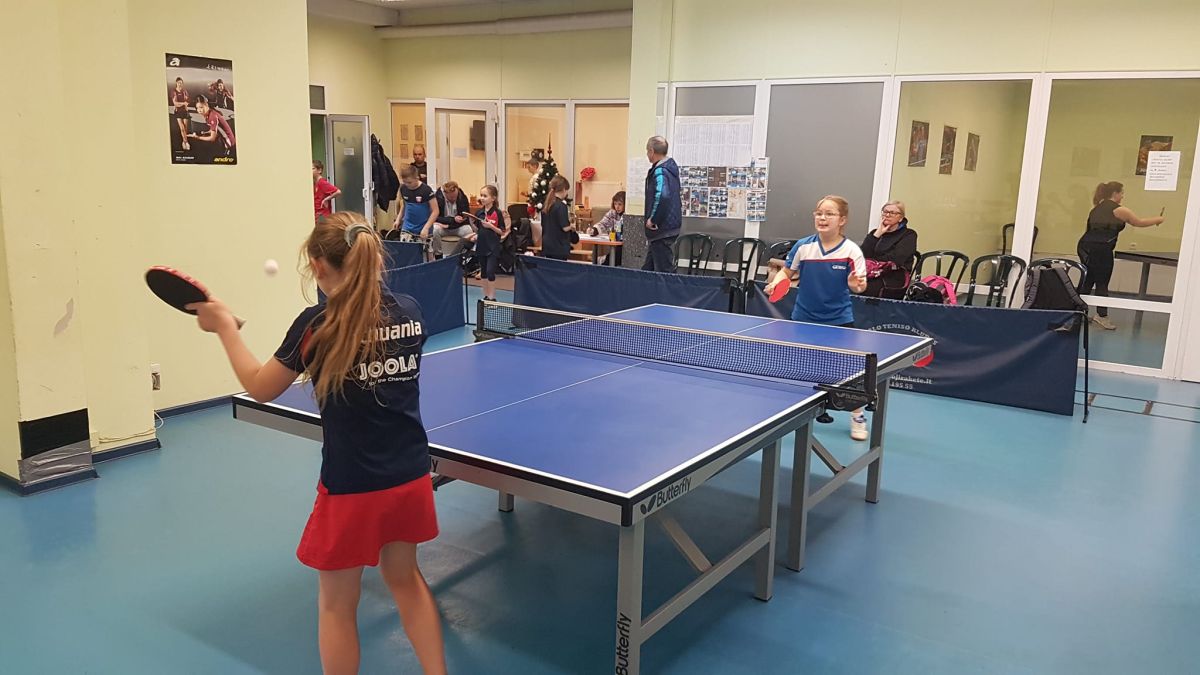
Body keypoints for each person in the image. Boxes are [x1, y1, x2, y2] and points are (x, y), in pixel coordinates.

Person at [184, 212, 448, 675]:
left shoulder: (317, 324)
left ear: (317, 266)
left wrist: (225, 328)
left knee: (336, 606)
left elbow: (261, 386)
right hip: (409, 476)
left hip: (351, 486)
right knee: (406, 580)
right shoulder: (409, 310)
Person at [766, 195, 869, 440]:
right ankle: (799, 413)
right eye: (819, 213)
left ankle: (857, 416)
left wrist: (855, 285)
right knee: (800, 368)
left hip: (838, 319)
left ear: (842, 220)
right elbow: (786, 272)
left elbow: (860, 286)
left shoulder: (851, 250)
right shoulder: (803, 246)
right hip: (804, 318)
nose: (822, 218)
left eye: (829, 214)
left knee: (849, 371)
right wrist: (776, 283)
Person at [1077, 181, 1164, 330]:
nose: (1123, 196)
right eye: (1122, 193)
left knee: (1088, 280)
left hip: (1085, 247)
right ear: (1115, 193)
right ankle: (1101, 316)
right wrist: (1158, 219)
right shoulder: (1119, 210)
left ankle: (1077, 313)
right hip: (1101, 249)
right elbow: (1138, 222)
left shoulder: (1097, 207)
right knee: (1102, 283)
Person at [860, 200, 918, 299]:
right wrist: (877, 234)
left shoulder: (909, 234)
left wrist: (873, 261)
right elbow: (862, 255)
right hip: (871, 273)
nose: (887, 215)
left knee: (865, 288)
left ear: (900, 218)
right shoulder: (875, 233)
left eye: (892, 213)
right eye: (885, 212)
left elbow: (896, 259)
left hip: (894, 275)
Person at [642, 136, 681, 272]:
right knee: (648, 270)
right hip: (668, 228)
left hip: (661, 229)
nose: (647, 154)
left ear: (652, 151)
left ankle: (670, 288)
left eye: (647, 151)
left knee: (665, 272)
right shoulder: (670, 169)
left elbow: (663, 196)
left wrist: (653, 219)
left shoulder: (660, 171)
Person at [393, 165, 440, 254]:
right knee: (405, 253)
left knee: (427, 254)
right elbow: (405, 204)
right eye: (405, 182)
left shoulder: (426, 190)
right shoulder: (403, 188)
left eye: (409, 182)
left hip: (423, 227)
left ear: (417, 178)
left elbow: (435, 211)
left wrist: (426, 228)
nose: (407, 185)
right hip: (408, 227)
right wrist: (398, 219)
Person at [475, 185, 508, 301]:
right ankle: (485, 296)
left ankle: (492, 297)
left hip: (493, 247)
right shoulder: (479, 213)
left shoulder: (497, 213)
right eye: (481, 195)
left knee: (490, 272)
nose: (482, 198)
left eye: (485, 196)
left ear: (493, 198)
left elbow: (502, 231)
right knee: (483, 272)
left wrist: (491, 226)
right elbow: (477, 229)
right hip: (481, 245)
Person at [431, 181, 473, 257]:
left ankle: (465, 255)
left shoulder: (462, 197)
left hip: (457, 226)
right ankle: (438, 255)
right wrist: (452, 220)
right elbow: (434, 217)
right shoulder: (437, 198)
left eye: (455, 197)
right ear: (445, 194)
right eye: (451, 197)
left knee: (468, 230)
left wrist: (450, 225)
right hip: (442, 227)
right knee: (434, 230)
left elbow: (466, 216)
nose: (454, 199)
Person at [539, 175, 575, 261]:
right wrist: (572, 226)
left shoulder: (546, 205)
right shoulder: (561, 206)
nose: (566, 193)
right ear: (564, 189)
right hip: (559, 246)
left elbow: (543, 224)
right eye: (567, 190)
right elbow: (565, 228)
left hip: (547, 245)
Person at [588, 191, 625, 265]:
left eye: (620, 204)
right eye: (615, 204)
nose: (617, 207)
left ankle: (603, 261)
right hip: (615, 243)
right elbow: (603, 224)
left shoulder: (628, 215)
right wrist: (594, 230)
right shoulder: (612, 213)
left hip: (624, 246)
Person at [170, 77, 191, 151]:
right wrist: (183, 103)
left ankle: (183, 141)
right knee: (182, 128)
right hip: (178, 112)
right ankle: (186, 142)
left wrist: (184, 103)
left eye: (181, 83)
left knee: (185, 129)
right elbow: (175, 104)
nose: (180, 84)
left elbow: (187, 102)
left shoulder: (184, 91)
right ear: (176, 83)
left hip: (185, 111)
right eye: (179, 83)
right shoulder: (174, 92)